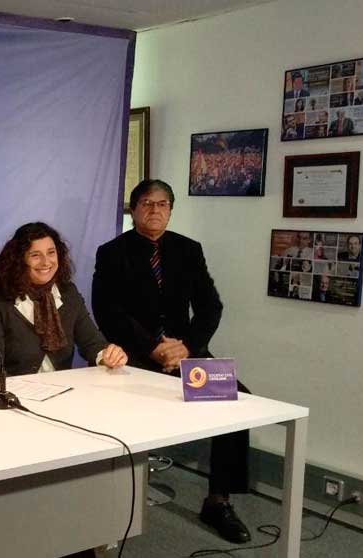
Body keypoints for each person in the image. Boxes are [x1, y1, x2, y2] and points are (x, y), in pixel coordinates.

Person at [92, 179, 252, 544]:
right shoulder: (111, 252)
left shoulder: (188, 250)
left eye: (163, 204)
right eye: (147, 203)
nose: (155, 210)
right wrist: (153, 347)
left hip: (187, 352)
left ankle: (218, 501)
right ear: (133, 210)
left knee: (238, 402)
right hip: (134, 355)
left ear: (171, 210)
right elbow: (107, 312)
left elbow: (211, 306)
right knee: (120, 413)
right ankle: (111, 502)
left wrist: (188, 348)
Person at [0, 222, 127, 378]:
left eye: (51, 253)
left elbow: (92, 343)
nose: (46, 262)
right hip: (14, 394)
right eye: (35, 255)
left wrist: (108, 356)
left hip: (61, 391)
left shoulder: (68, 293)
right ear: (19, 260)